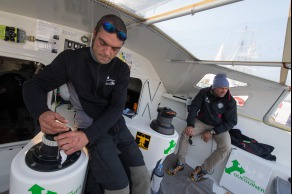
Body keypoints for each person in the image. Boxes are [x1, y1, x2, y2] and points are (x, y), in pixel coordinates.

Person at [23, 14, 150, 194]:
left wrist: (89, 135)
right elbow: (33, 86)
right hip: (90, 127)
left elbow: (116, 108)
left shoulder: (121, 69)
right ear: (93, 34)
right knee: (121, 188)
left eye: (115, 49)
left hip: (117, 126)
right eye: (103, 43)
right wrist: (41, 112)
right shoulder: (70, 60)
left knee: (143, 177)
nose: (107, 53)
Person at [167, 74, 237, 182]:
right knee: (186, 133)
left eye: (226, 88)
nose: (224, 91)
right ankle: (180, 162)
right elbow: (194, 107)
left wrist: (212, 132)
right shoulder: (204, 93)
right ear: (214, 87)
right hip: (202, 122)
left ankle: (203, 169)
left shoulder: (230, 101)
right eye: (221, 88)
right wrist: (190, 124)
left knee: (226, 147)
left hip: (218, 127)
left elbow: (232, 121)